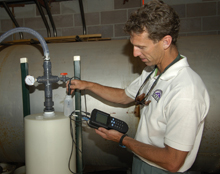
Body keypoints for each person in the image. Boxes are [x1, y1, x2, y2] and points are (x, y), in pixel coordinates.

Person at [67, 0, 210, 173]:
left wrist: (123, 140)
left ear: (166, 41)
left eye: (141, 47)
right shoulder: (153, 71)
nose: (135, 53)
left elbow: (172, 161)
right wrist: (88, 85)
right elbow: (123, 96)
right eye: (133, 46)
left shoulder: (186, 91)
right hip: (141, 160)